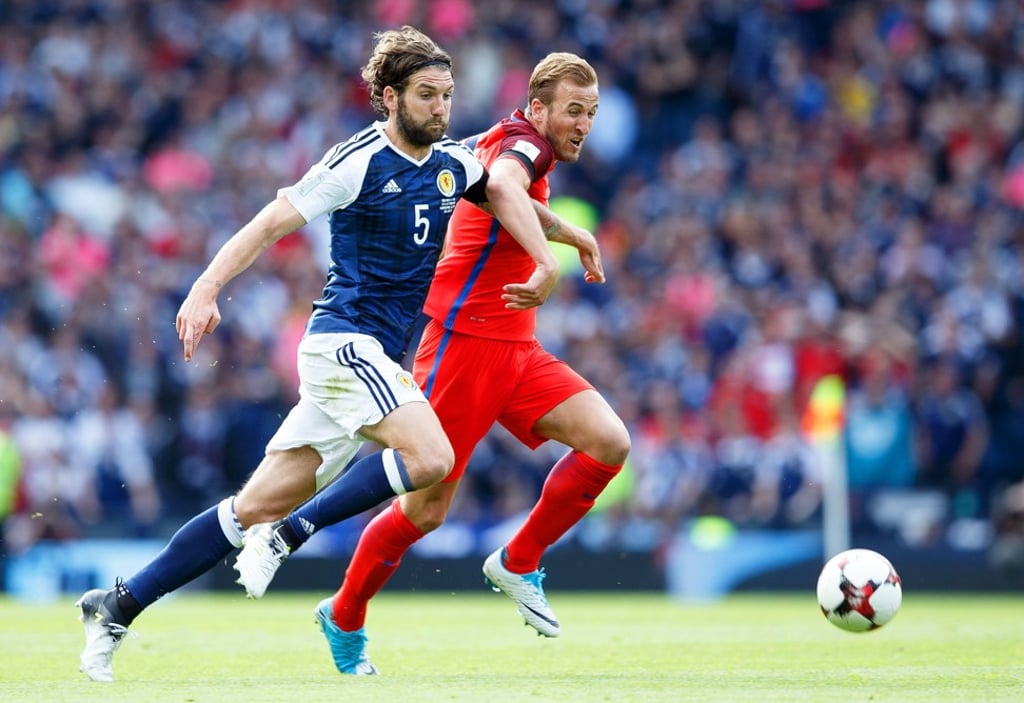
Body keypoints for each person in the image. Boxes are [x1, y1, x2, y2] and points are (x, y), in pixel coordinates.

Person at [74, 25, 562, 683]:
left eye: (446, 96)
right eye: (426, 95)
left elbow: (504, 191)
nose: (441, 109)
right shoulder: (356, 160)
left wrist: (566, 237)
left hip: (375, 360)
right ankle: (291, 534)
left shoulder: (453, 163)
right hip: (342, 345)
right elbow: (272, 221)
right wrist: (206, 286)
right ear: (389, 96)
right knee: (433, 456)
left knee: (249, 506)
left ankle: (117, 605)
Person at [236, 52, 631, 675]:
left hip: (516, 348)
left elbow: (501, 192)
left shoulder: (504, 141)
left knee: (608, 442)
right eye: (573, 111)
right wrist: (547, 261)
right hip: (464, 346)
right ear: (537, 110)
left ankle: (519, 560)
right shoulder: (525, 145)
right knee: (425, 507)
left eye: (592, 113)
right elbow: (504, 186)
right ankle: (342, 610)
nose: (584, 124)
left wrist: (572, 235)